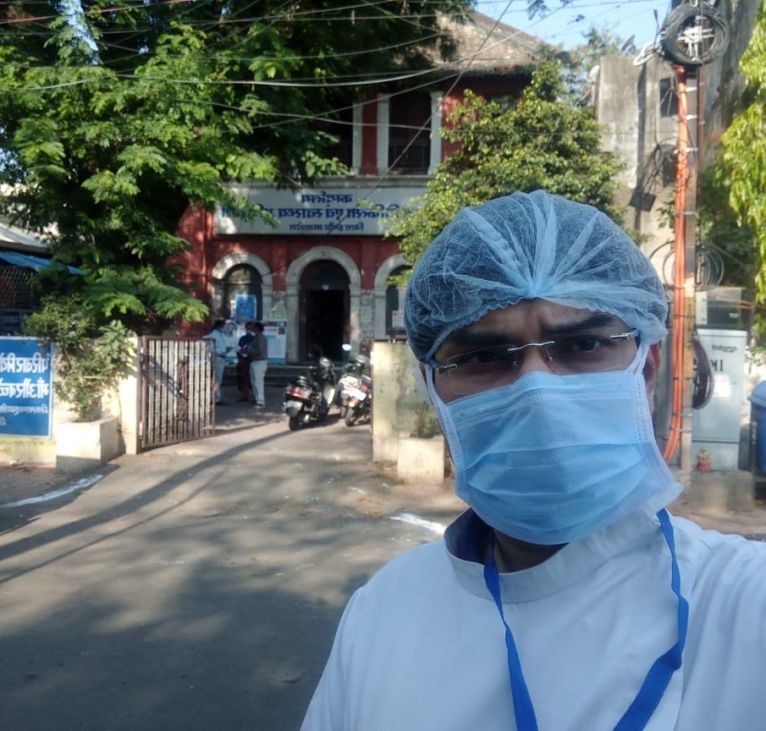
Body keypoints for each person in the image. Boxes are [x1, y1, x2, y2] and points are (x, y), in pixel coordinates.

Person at [301, 191, 766, 730]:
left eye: (583, 346)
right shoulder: (383, 612)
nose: (537, 392)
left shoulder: (743, 604)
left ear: (645, 368)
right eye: (483, 356)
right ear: (434, 390)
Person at [203, 318, 230, 405]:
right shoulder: (213, 335)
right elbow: (210, 346)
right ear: (220, 326)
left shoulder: (220, 335)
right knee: (217, 379)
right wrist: (219, 352)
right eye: (224, 326)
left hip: (221, 357)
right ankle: (216, 398)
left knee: (218, 379)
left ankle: (216, 397)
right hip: (217, 358)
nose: (225, 328)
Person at [248, 321, 268, 408]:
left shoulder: (261, 338)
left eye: (253, 327)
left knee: (258, 382)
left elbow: (260, 350)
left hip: (259, 362)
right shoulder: (256, 338)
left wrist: (249, 351)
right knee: (254, 382)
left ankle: (260, 401)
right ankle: (256, 399)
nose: (251, 329)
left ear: (257, 328)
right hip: (254, 361)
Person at [237, 321, 256, 402]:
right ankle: (245, 396)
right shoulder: (243, 338)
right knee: (244, 379)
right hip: (244, 361)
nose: (249, 330)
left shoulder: (256, 338)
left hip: (254, 361)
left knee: (255, 379)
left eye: (251, 328)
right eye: (247, 328)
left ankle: (255, 396)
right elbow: (239, 349)